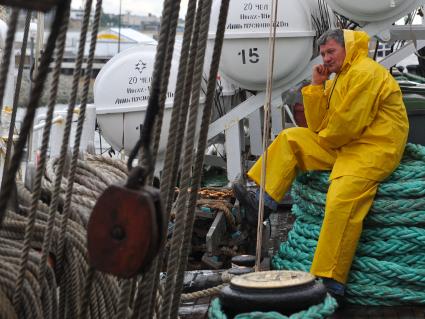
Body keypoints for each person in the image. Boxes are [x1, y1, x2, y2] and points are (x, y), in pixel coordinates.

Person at [233, 29, 409, 298]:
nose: (326, 58)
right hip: (345, 143)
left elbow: (345, 126)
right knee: (291, 138)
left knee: (341, 199)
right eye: (323, 53)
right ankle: (262, 202)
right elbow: (318, 127)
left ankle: (330, 280)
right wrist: (317, 85)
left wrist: (324, 138)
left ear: (347, 48)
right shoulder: (339, 77)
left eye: (331, 52)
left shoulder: (365, 73)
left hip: (374, 149)